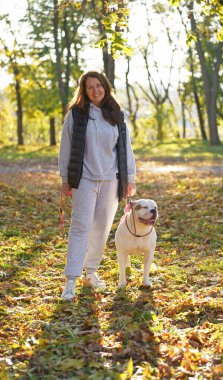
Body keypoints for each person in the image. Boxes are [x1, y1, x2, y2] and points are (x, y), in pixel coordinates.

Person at [59, 71, 136, 300]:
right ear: (84, 91)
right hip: (84, 179)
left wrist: (129, 178)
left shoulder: (116, 115)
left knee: (101, 229)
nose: (95, 90)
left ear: (105, 87)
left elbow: (126, 149)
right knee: (80, 227)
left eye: (99, 85)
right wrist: (65, 178)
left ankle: (91, 272)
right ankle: (70, 280)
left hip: (111, 180)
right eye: (90, 87)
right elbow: (66, 146)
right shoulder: (77, 115)